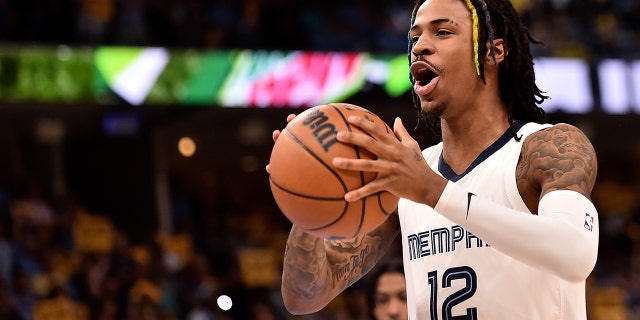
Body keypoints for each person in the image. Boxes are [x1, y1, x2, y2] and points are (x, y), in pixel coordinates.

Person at [268, 0, 599, 318]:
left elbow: (576, 254)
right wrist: (309, 181)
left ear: (493, 51)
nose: (420, 46)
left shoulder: (548, 146)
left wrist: (434, 192)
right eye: (414, 37)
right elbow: (303, 297)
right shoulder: (404, 176)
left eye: (442, 32)